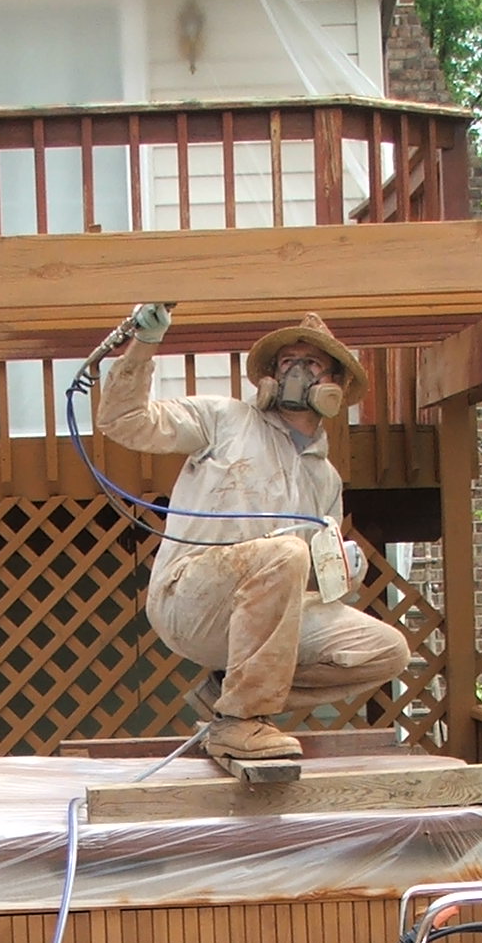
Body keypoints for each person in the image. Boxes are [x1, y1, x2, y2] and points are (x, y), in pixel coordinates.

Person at [93, 305, 413, 766]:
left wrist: (341, 572)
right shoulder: (223, 420)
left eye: (311, 364)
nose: (296, 373)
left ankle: (230, 695)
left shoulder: (324, 481)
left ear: (335, 385)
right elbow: (125, 421)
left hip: (262, 623)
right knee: (283, 552)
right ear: (269, 376)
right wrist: (143, 347)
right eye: (286, 364)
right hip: (190, 598)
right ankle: (242, 721)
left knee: (385, 651)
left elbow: (316, 586)